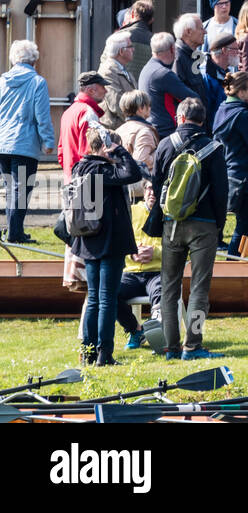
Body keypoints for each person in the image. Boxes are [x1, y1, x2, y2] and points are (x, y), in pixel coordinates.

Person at [153, 96, 226, 360]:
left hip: (171, 224)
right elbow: (221, 192)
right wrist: (219, 224)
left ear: (179, 118)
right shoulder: (214, 148)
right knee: (199, 288)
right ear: (203, 120)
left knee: (169, 287)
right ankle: (192, 345)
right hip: (204, 225)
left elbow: (157, 183)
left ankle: (170, 347)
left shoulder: (164, 145)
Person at [69, 128, 142, 366]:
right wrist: (119, 150)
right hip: (109, 242)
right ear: (104, 147)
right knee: (106, 299)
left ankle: (88, 352)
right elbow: (132, 173)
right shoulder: (103, 170)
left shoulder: (80, 167)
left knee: (93, 299)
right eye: (112, 148)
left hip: (88, 240)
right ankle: (104, 354)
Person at [0, 40, 56, 243]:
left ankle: (12, 230)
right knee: (21, 190)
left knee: (10, 188)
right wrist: (48, 141)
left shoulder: (2, 81)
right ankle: (15, 233)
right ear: (34, 60)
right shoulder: (37, 82)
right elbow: (42, 116)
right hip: (24, 144)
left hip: (2, 143)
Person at [213, 71, 248, 256]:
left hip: (228, 173)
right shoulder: (242, 116)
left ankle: (246, 263)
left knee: (244, 224)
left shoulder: (222, 110)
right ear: (241, 92)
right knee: (246, 226)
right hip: (246, 177)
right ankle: (234, 263)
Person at [116, 178, 163, 350]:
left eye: (156, 189)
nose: (152, 193)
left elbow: (180, 249)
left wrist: (155, 252)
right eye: (149, 188)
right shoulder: (131, 212)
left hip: (157, 272)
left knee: (163, 292)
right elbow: (118, 241)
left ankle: (159, 335)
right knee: (109, 292)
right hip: (131, 272)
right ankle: (135, 330)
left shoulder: (169, 214)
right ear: (144, 192)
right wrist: (132, 253)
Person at [139, 33, 199, 137]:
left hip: (153, 129)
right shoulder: (163, 74)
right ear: (172, 48)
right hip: (166, 132)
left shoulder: (147, 68)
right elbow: (194, 99)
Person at [117, 90, 158, 192]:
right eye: (148, 105)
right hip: (141, 189)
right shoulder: (144, 131)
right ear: (140, 108)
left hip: (123, 187)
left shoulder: (118, 130)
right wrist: (158, 155)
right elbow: (141, 161)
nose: (150, 108)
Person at [97, 32, 137, 130]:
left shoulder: (123, 69)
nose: (133, 49)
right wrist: (135, 120)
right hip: (115, 129)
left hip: (125, 126)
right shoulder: (108, 71)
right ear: (121, 51)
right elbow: (115, 103)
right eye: (130, 46)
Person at [173, 14, 206, 95]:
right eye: (201, 28)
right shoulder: (177, 57)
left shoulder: (191, 55)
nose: (205, 32)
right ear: (188, 32)